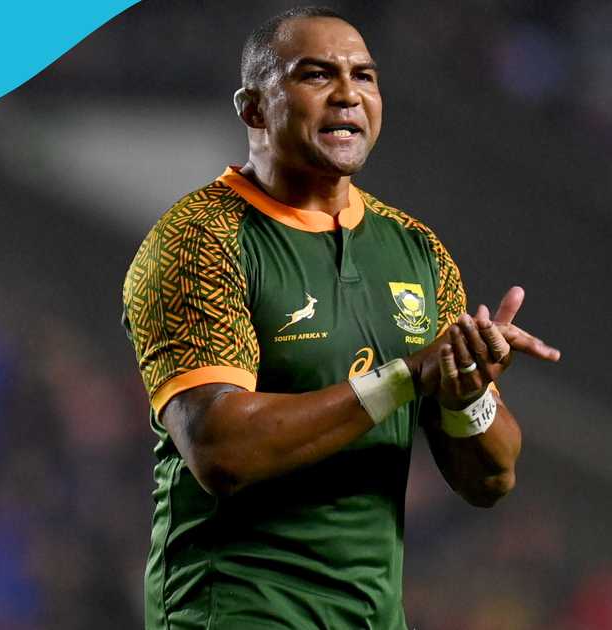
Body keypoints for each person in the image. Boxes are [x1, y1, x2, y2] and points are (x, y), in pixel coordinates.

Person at [121, 6, 560, 629]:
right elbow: (221, 450)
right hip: (239, 613)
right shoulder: (199, 240)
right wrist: (407, 376)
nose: (349, 94)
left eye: (365, 76)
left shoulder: (417, 251)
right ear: (252, 108)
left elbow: (491, 479)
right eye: (316, 75)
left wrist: (467, 394)